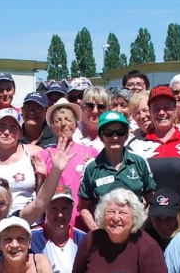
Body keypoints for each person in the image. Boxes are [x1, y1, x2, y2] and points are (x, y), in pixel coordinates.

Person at [77, 111, 156, 231]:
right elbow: (83, 207)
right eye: (109, 133)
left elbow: (152, 199)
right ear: (101, 137)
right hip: (104, 235)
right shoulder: (91, 167)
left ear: (126, 135)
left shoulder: (140, 162)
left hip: (136, 233)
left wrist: (141, 224)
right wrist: (96, 230)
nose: (115, 137)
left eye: (120, 132)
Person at [135, 86, 180, 208]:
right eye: (156, 108)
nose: (161, 112)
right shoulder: (136, 144)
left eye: (167, 107)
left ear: (175, 109)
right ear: (150, 112)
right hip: (148, 219)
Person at [38, 100, 97, 229]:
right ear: (53, 127)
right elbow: (39, 197)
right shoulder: (44, 155)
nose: (63, 124)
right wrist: (41, 176)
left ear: (76, 125)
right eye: (58, 120)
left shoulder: (90, 152)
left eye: (68, 119)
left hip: (82, 224)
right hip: (54, 224)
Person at [0, 109, 45, 215]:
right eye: (1, 126)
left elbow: (43, 196)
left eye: (13, 128)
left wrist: (42, 177)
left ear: (20, 133)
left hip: (30, 223)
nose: (7, 132)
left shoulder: (34, 153)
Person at [73, 86, 111, 151]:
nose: (95, 111)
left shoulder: (113, 135)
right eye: (90, 106)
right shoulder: (74, 135)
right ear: (82, 107)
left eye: (101, 106)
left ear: (108, 109)